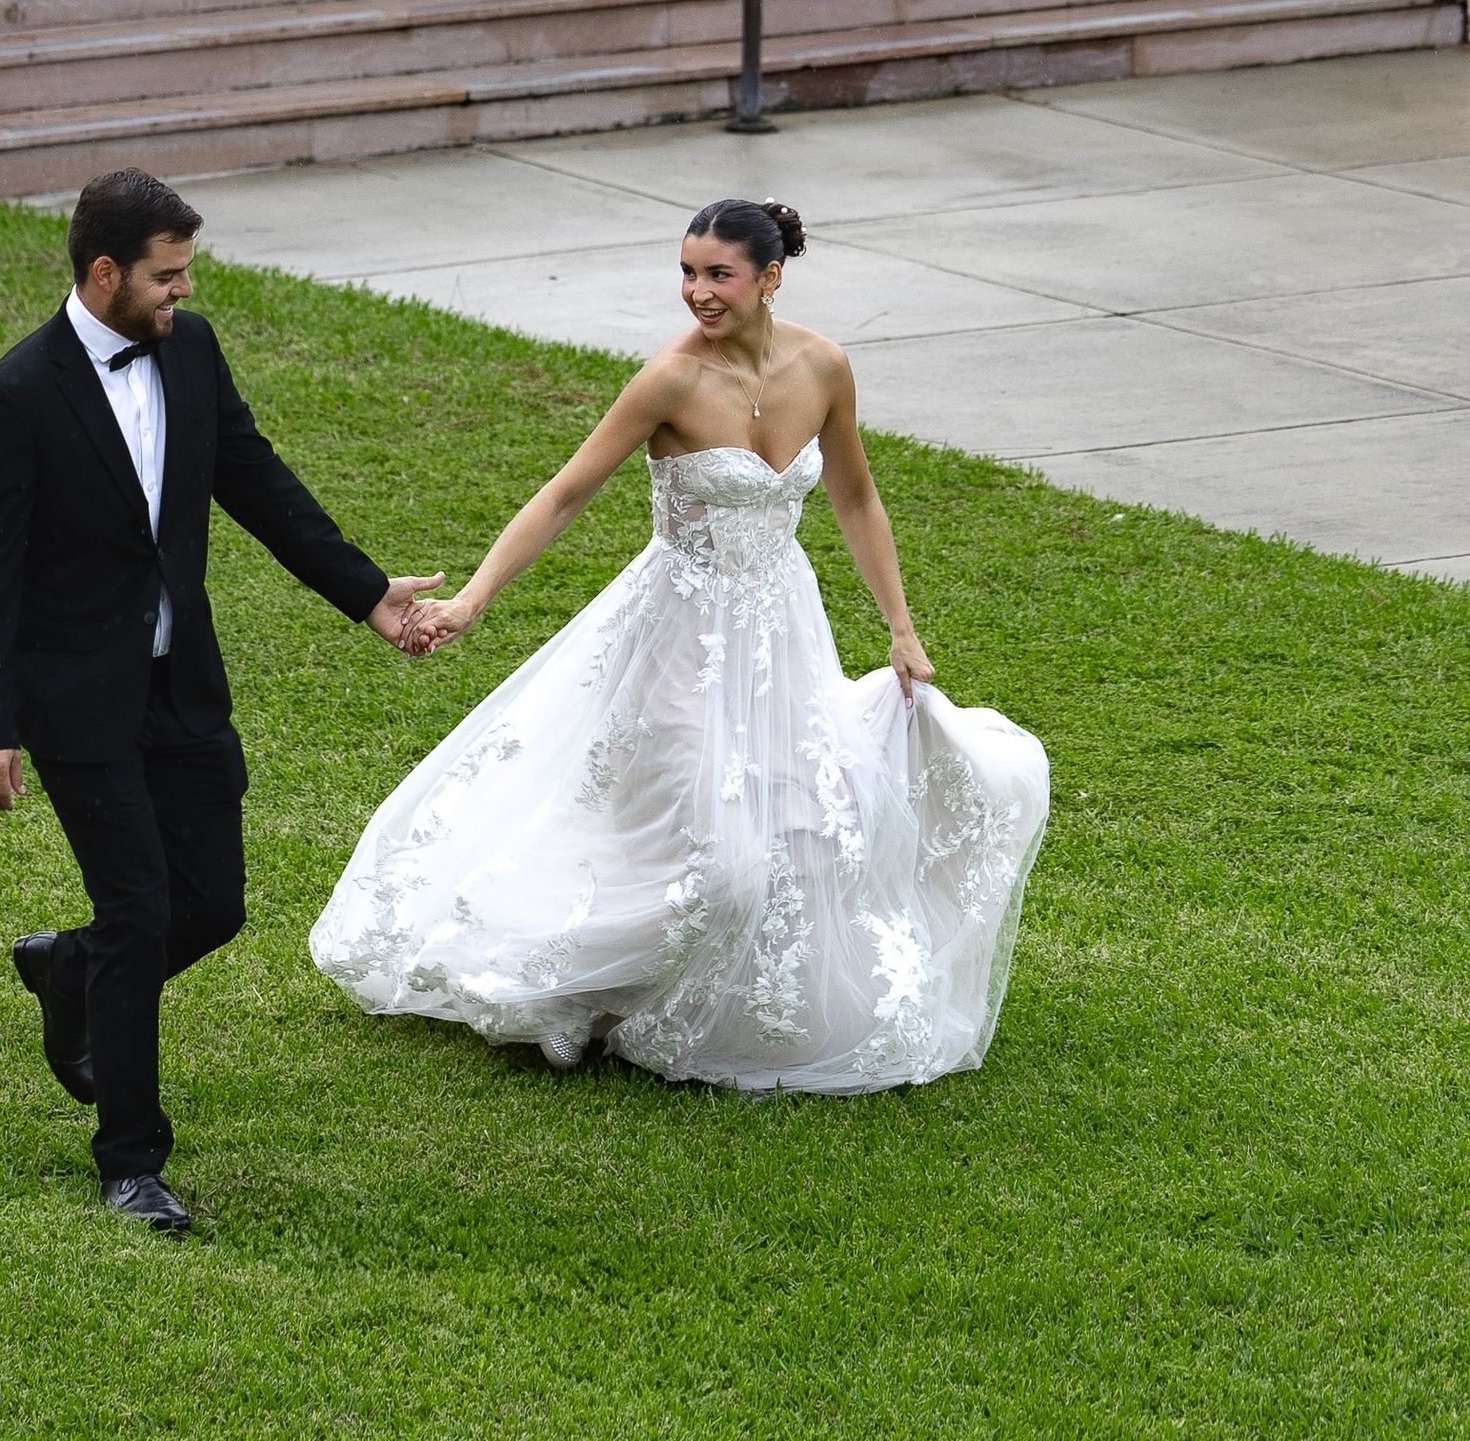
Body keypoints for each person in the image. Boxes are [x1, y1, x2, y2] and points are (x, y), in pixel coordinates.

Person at [311, 197, 1049, 1095]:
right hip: (677, 636)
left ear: (770, 276)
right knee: (717, 859)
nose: (698, 291)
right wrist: (472, 598)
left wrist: (900, 627)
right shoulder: (669, 379)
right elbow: (564, 493)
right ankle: (580, 988)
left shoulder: (824, 365)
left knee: (806, 832)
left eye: (718, 274)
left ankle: (697, 997)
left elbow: (856, 497)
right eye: (688, 272)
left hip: (782, 629)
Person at [0, 166, 441, 1236]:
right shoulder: (18, 394)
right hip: (77, 701)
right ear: (105, 272)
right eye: (166, 275)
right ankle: (131, 1162)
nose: (183, 290)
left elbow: (257, 481)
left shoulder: (193, 349)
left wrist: (367, 594)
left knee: (212, 905)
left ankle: (68, 968)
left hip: (181, 684)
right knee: (137, 911)